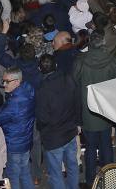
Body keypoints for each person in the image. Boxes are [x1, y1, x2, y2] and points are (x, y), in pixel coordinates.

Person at [72, 30, 116, 185]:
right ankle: (110, 180)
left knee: (91, 148)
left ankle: (90, 180)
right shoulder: (111, 60)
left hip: (88, 111)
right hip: (105, 111)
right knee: (106, 145)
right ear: (103, 44)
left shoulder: (80, 61)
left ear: (89, 44)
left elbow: (73, 81)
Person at [35, 55, 80, 189]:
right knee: (72, 166)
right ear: (56, 65)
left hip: (53, 138)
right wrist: (77, 122)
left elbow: (42, 118)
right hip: (70, 132)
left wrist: (42, 130)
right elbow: (78, 102)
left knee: (56, 173)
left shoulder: (42, 90)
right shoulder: (69, 79)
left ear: (40, 69)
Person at [0, 67, 35, 189]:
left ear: (17, 82)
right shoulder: (28, 89)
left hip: (13, 145)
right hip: (25, 142)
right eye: (3, 81)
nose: (4, 84)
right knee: (25, 173)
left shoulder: (14, 103)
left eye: (7, 81)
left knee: (13, 178)